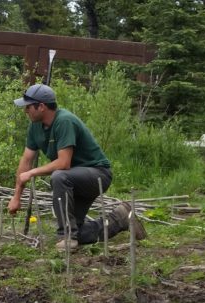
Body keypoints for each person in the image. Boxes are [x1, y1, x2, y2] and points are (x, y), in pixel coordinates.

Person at [8, 83, 146, 251]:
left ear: (41, 107)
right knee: (79, 232)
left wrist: (32, 173)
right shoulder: (34, 127)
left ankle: (66, 236)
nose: (25, 111)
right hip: (73, 180)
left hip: (96, 175)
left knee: (59, 176)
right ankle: (120, 217)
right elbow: (26, 160)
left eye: (28, 107)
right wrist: (16, 196)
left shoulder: (64, 121)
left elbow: (63, 163)